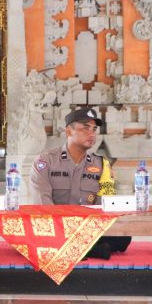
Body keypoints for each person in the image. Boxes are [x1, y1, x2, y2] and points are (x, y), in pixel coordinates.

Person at [29, 107, 131, 259]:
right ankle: (90, 249)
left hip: (87, 227)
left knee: (123, 238)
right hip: (54, 224)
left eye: (94, 129)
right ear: (69, 131)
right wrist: (66, 227)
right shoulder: (45, 161)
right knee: (33, 232)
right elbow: (43, 204)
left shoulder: (102, 164)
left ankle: (72, 248)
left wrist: (87, 228)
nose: (92, 133)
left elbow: (105, 204)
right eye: (85, 128)